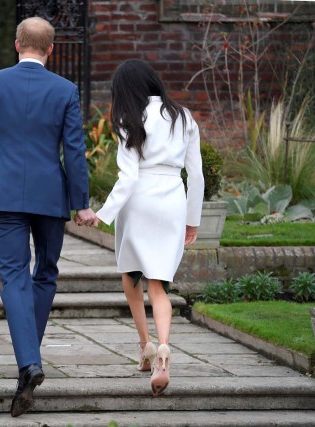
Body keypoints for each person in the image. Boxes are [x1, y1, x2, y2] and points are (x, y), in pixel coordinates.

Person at [0, 16, 96, 417]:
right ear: (52, 49)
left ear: (17, 43)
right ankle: (30, 362)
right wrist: (82, 202)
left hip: (3, 196)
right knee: (46, 273)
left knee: (14, 278)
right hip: (49, 197)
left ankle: (29, 363)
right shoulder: (65, 89)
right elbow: (73, 150)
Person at [92, 59, 204, 397]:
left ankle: (145, 346)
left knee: (130, 275)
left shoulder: (130, 120)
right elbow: (195, 175)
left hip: (139, 200)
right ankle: (163, 350)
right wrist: (192, 219)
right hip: (172, 198)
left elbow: (128, 177)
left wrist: (102, 213)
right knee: (159, 286)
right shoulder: (184, 117)